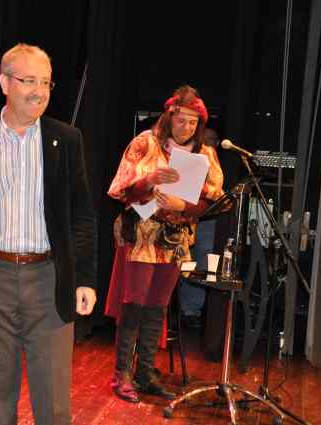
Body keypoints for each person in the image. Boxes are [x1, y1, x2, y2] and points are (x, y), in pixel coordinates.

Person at [0, 43, 97, 425]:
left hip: (50, 280)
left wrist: (85, 278)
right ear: (4, 83)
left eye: (46, 82)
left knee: (53, 403)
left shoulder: (67, 139)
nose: (39, 91)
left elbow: (83, 215)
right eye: (29, 80)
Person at [106, 85, 224, 403]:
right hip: (143, 234)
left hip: (175, 239)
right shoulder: (145, 143)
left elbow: (212, 200)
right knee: (134, 303)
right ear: (169, 116)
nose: (186, 127)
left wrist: (182, 205)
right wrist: (150, 180)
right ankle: (122, 375)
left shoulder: (204, 155)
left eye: (192, 122)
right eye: (181, 119)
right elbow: (122, 190)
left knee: (157, 307)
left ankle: (145, 373)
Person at [178, 127, 221, 328]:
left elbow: (216, 192)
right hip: (183, 219)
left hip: (206, 220)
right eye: (205, 138)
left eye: (212, 139)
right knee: (184, 264)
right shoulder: (187, 157)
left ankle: (193, 311)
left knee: (201, 267)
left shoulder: (213, 163)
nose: (207, 142)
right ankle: (183, 310)